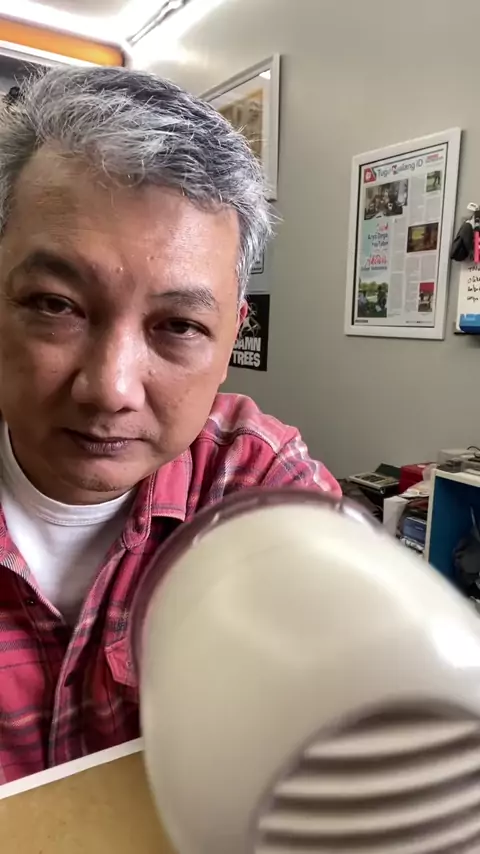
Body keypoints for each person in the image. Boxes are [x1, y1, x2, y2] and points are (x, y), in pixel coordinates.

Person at [0, 67, 340, 783]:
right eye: (57, 305)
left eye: (179, 326)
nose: (110, 389)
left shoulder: (253, 484)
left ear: (231, 338)